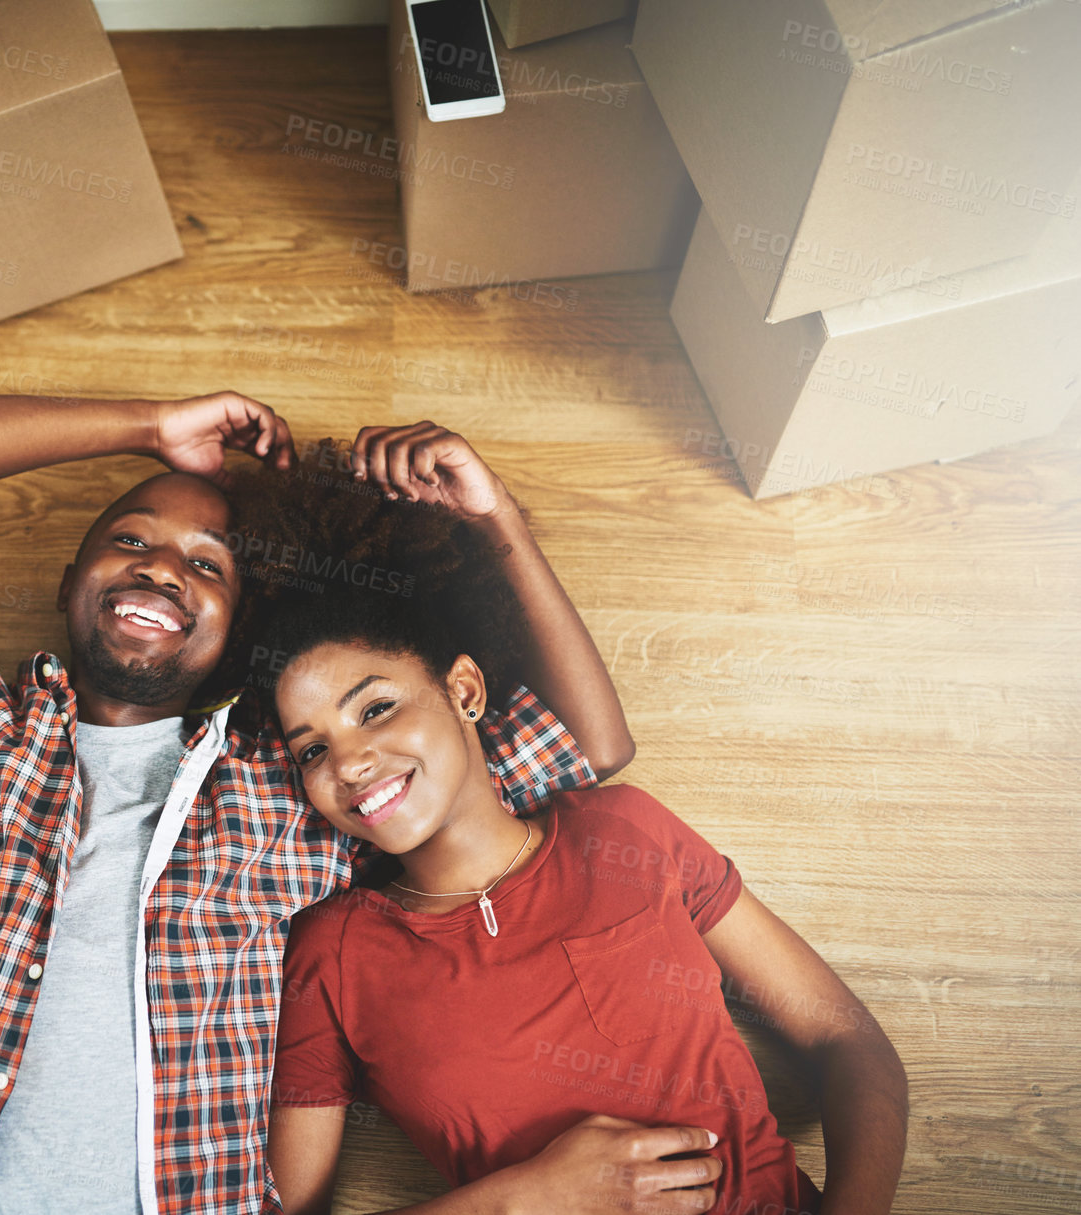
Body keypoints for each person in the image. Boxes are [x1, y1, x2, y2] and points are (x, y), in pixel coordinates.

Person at [0, 393, 636, 1214]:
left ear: (240, 635)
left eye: (206, 563)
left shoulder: (289, 790)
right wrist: (153, 425)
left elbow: (588, 742)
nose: (160, 566)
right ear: (69, 580)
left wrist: (496, 519)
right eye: (128, 540)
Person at [253, 433, 910, 1215]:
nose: (351, 761)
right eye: (314, 749)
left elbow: (848, 1041)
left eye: (376, 707)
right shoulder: (333, 953)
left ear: (464, 689)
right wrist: (527, 1197)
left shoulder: (622, 829)